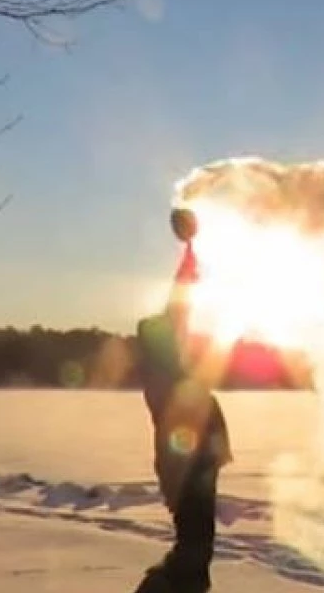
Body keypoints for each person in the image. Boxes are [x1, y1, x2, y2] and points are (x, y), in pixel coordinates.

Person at [135, 228, 232, 593]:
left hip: (193, 466)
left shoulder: (166, 370)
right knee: (195, 543)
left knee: (196, 542)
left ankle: (180, 586)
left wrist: (190, 256)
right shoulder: (167, 378)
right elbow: (178, 309)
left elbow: (179, 306)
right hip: (188, 469)